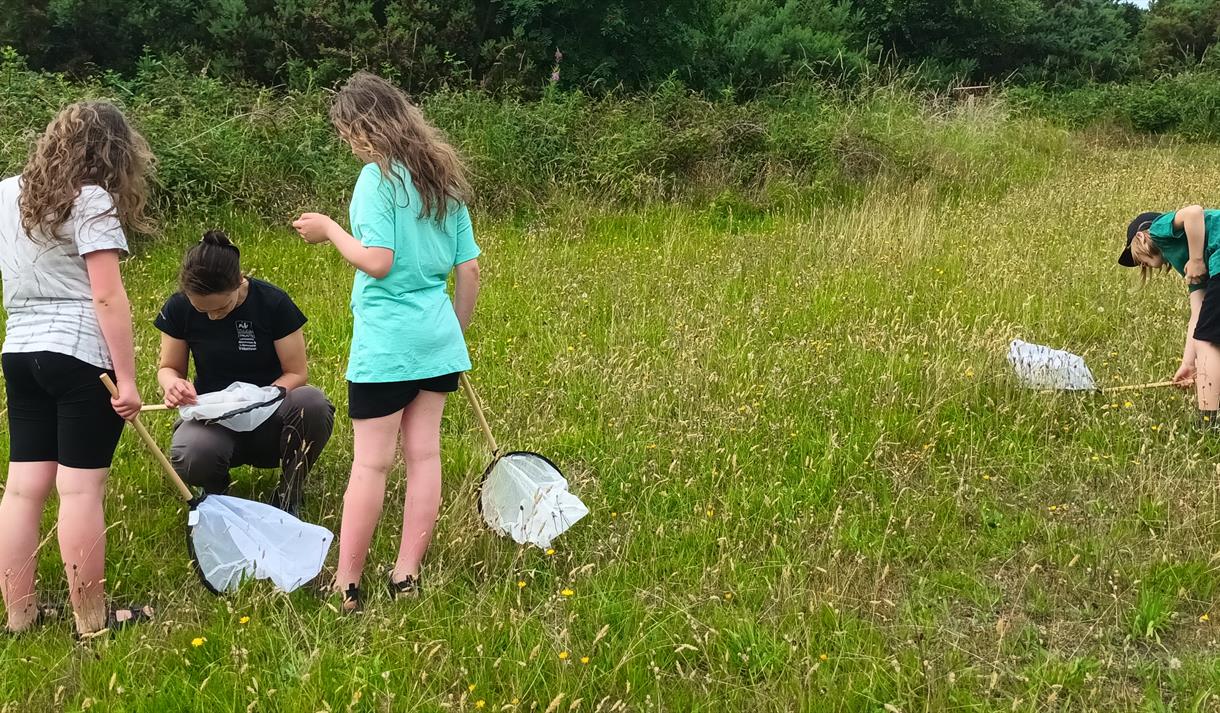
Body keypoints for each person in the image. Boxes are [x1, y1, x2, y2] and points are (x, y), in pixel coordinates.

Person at [293, 72, 481, 612]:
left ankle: (347, 585)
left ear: (364, 127)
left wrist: (329, 229)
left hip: (388, 346)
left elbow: (378, 262)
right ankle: (406, 575)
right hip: (437, 339)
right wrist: (454, 336)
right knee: (425, 457)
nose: (349, 142)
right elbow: (468, 271)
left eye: (349, 131)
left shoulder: (377, 180)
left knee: (372, 465)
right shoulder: (441, 179)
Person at [0, 101, 154, 636]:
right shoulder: (91, 199)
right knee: (80, 491)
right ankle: (92, 623)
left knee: (22, 490)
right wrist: (128, 380)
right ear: (112, 152)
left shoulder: (5, 193)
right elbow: (107, 297)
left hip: (19, 351)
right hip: (78, 354)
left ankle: (19, 618)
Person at [154, 230, 335, 516]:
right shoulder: (177, 308)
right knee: (191, 454)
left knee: (312, 403)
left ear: (239, 282)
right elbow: (169, 368)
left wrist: (258, 398)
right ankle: (215, 492)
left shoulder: (273, 303)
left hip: (270, 415)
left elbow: (297, 373)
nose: (212, 317)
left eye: (221, 308)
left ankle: (290, 494)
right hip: (214, 419)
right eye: (202, 310)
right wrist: (173, 384)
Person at [1121, 205, 1220, 419]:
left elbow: (1194, 212)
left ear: (1141, 237)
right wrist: (1188, 363)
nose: (1140, 264)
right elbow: (1197, 316)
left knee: (1208, 341)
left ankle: (1208, 422)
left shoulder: (1158, 229)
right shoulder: (1187, 263)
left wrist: (1196, 260)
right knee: (1207, 332)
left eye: (1137, 257)